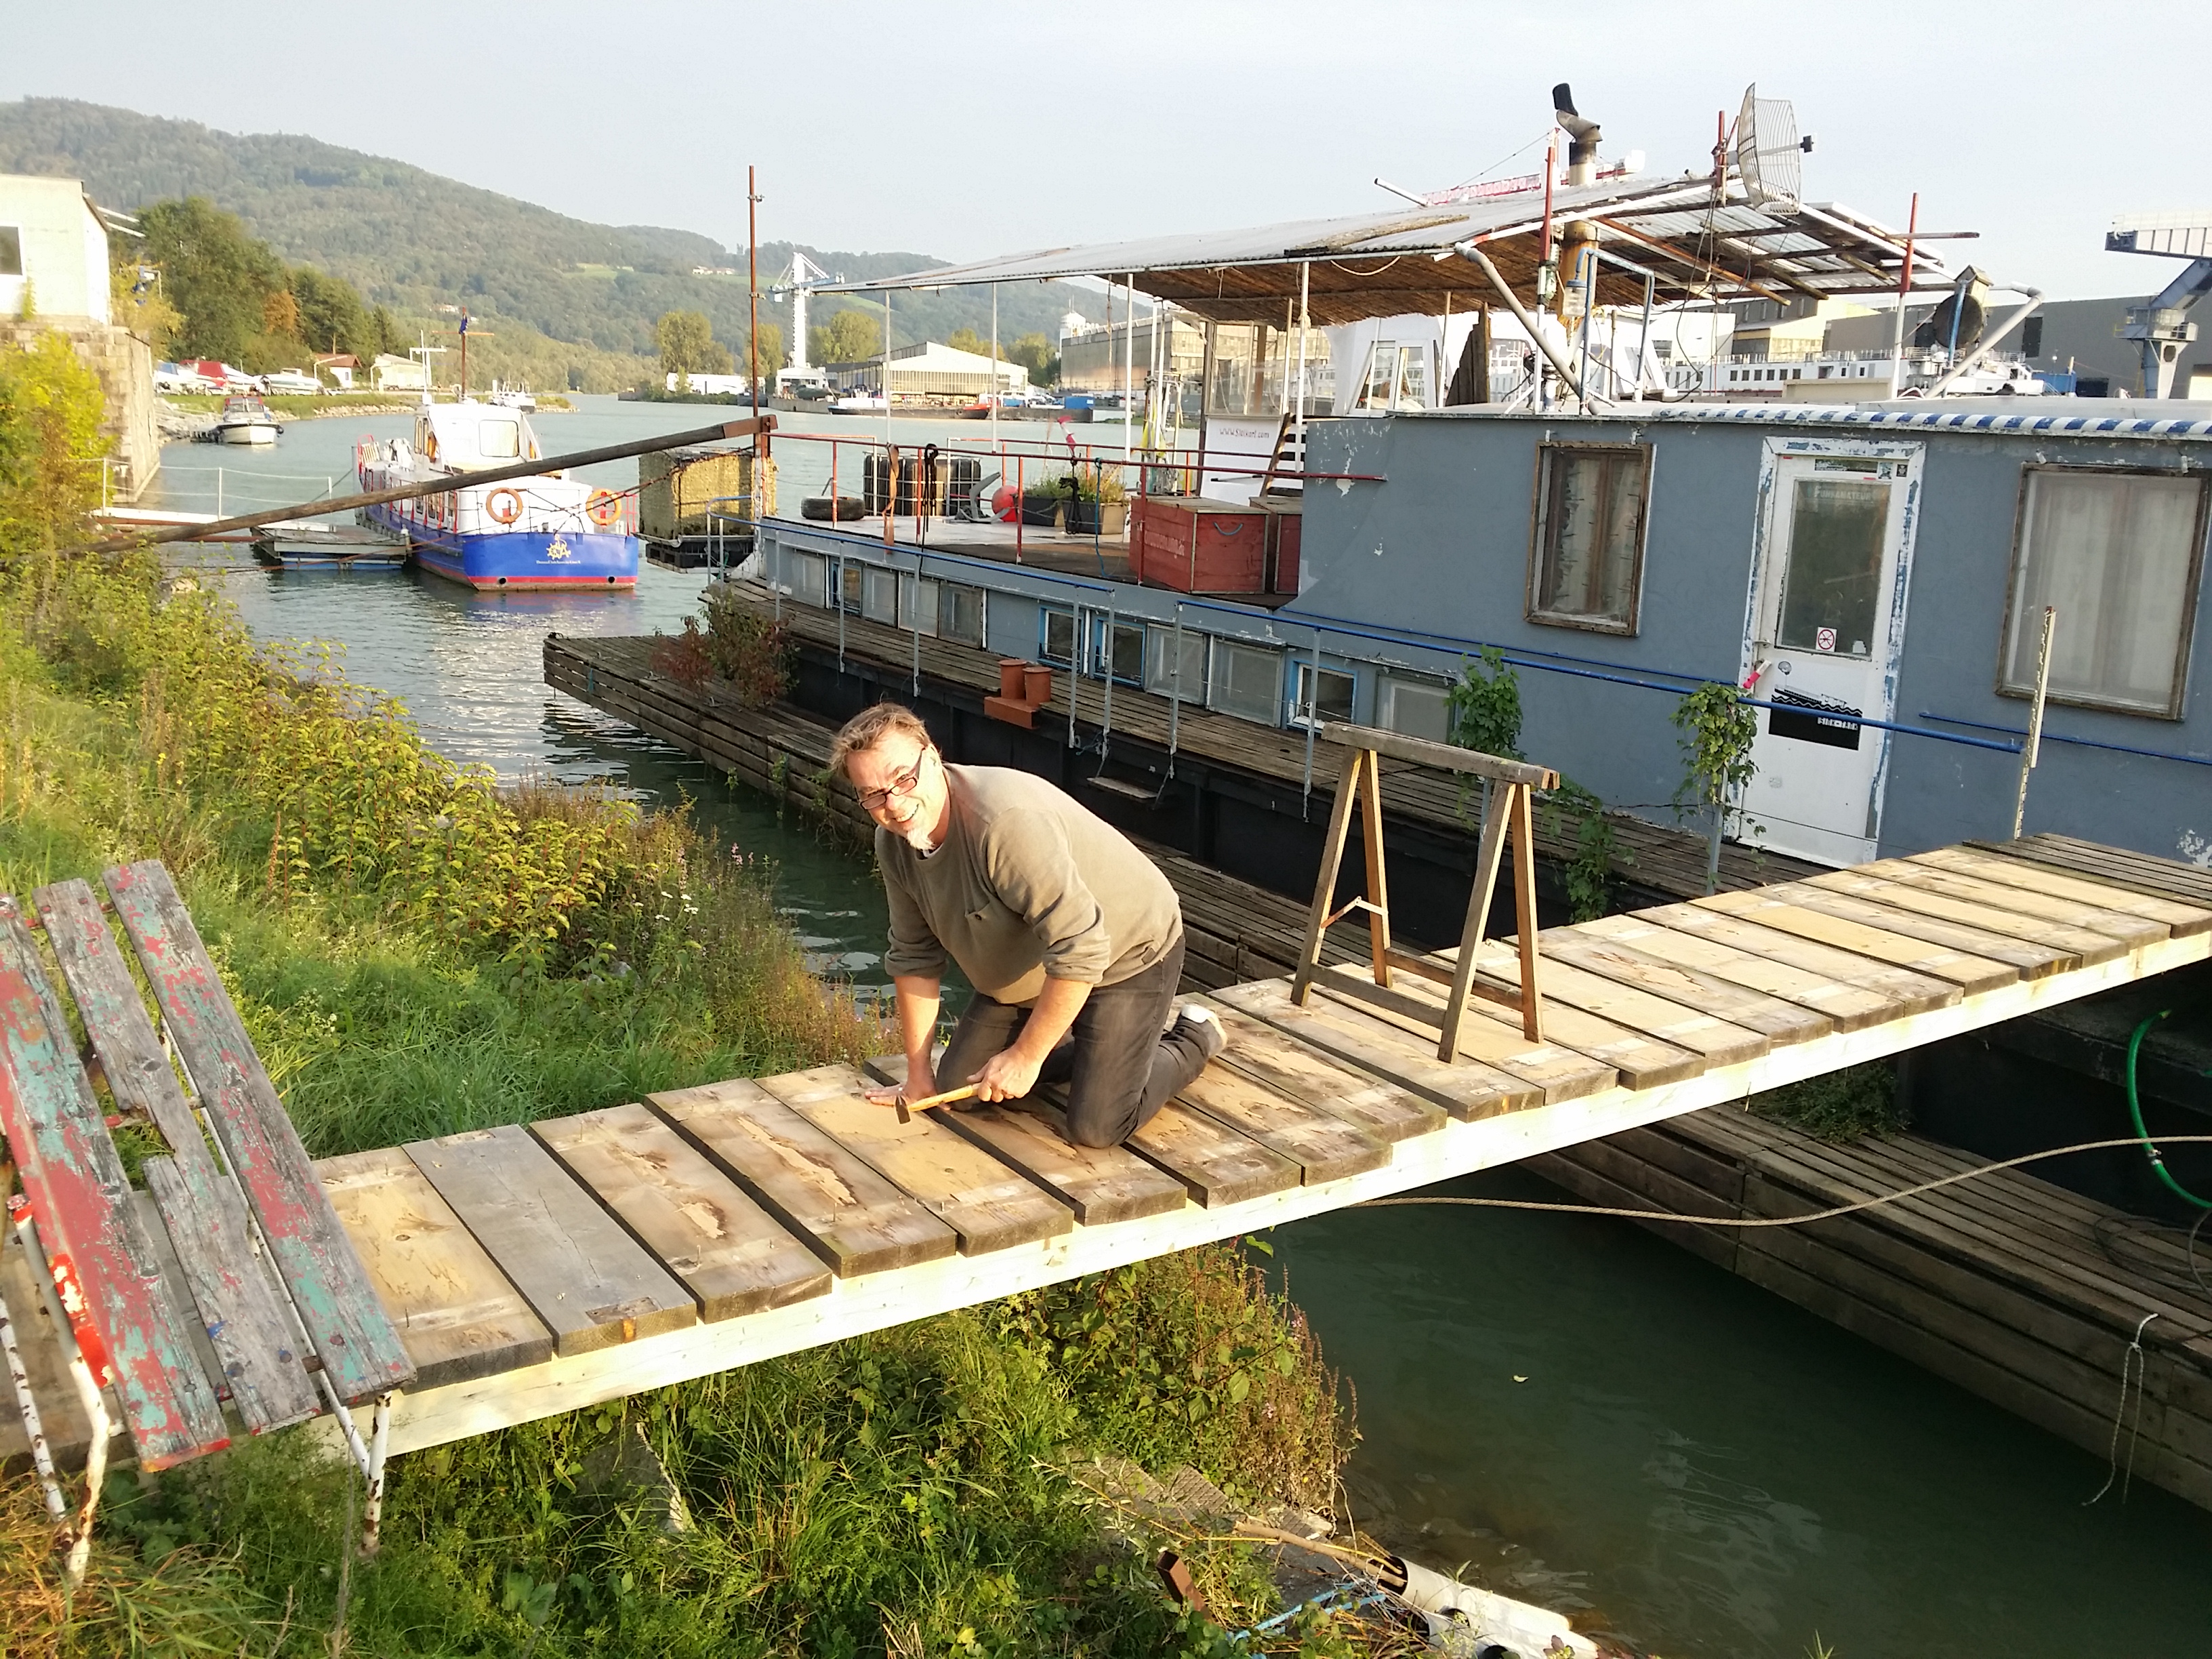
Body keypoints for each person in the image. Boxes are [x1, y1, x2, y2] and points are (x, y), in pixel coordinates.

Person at [834, 701, 1223, 1147]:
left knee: (1097, 1127)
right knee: (960, 1090)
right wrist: (918, 1077)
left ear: (935, 757)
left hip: (1127, 950)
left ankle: (1194, 1037)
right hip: (1036, 971)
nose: (895, 804)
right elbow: (914, 956)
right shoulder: (894, 842)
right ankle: (1100, 1050)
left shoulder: (1002, 823)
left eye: (904, 779)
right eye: (874, 794)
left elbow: (1082, 945)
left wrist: (1028, 1054)